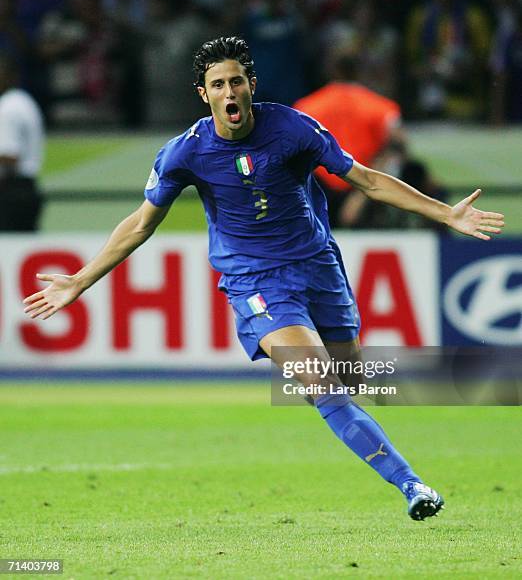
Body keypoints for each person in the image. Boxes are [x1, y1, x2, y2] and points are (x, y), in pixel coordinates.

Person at [22, 37, 504, 521]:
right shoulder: (184, 153)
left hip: (318, 266)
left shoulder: (294, 129)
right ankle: (412, 485)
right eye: (218, 85)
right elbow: (142, 223)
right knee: (322, 384)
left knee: (349, 375)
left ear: (251, 85)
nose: (228, 92)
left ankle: (351, 401)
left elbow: (367, 179)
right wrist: (80, 280)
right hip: (255, 281)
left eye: (236, 81)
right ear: (203, 94)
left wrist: (446, 214)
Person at [294, 48, 405, 228]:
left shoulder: (305, 108)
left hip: (318, 196)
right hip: (365, 192)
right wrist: (361, 195)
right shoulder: (382, 107)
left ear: (331, 70)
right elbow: (397, 149)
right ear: (360, 70)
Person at [0, 53, 44, 231]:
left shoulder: (8, 106)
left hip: (12, 191)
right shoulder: (25, 101)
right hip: (27, 189)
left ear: (11, 76)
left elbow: (10, 157)